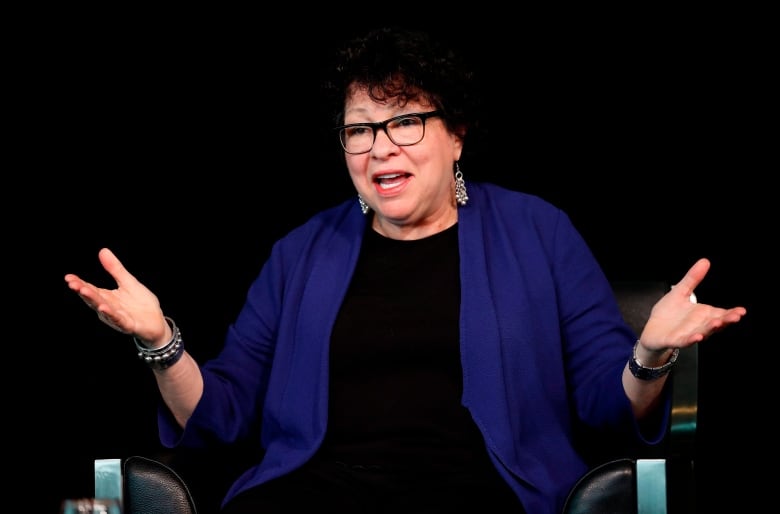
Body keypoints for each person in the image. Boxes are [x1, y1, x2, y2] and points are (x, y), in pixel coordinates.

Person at [64, 26, 747, 514]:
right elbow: (221, 415)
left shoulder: (537, 231)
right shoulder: (302, 250)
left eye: (405, 123)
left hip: (480, 490)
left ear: (456, 136)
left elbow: (607, 407)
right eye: (359, 129)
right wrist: (159, 340)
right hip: (312, 492)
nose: (379, 147)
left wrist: (651, 354)